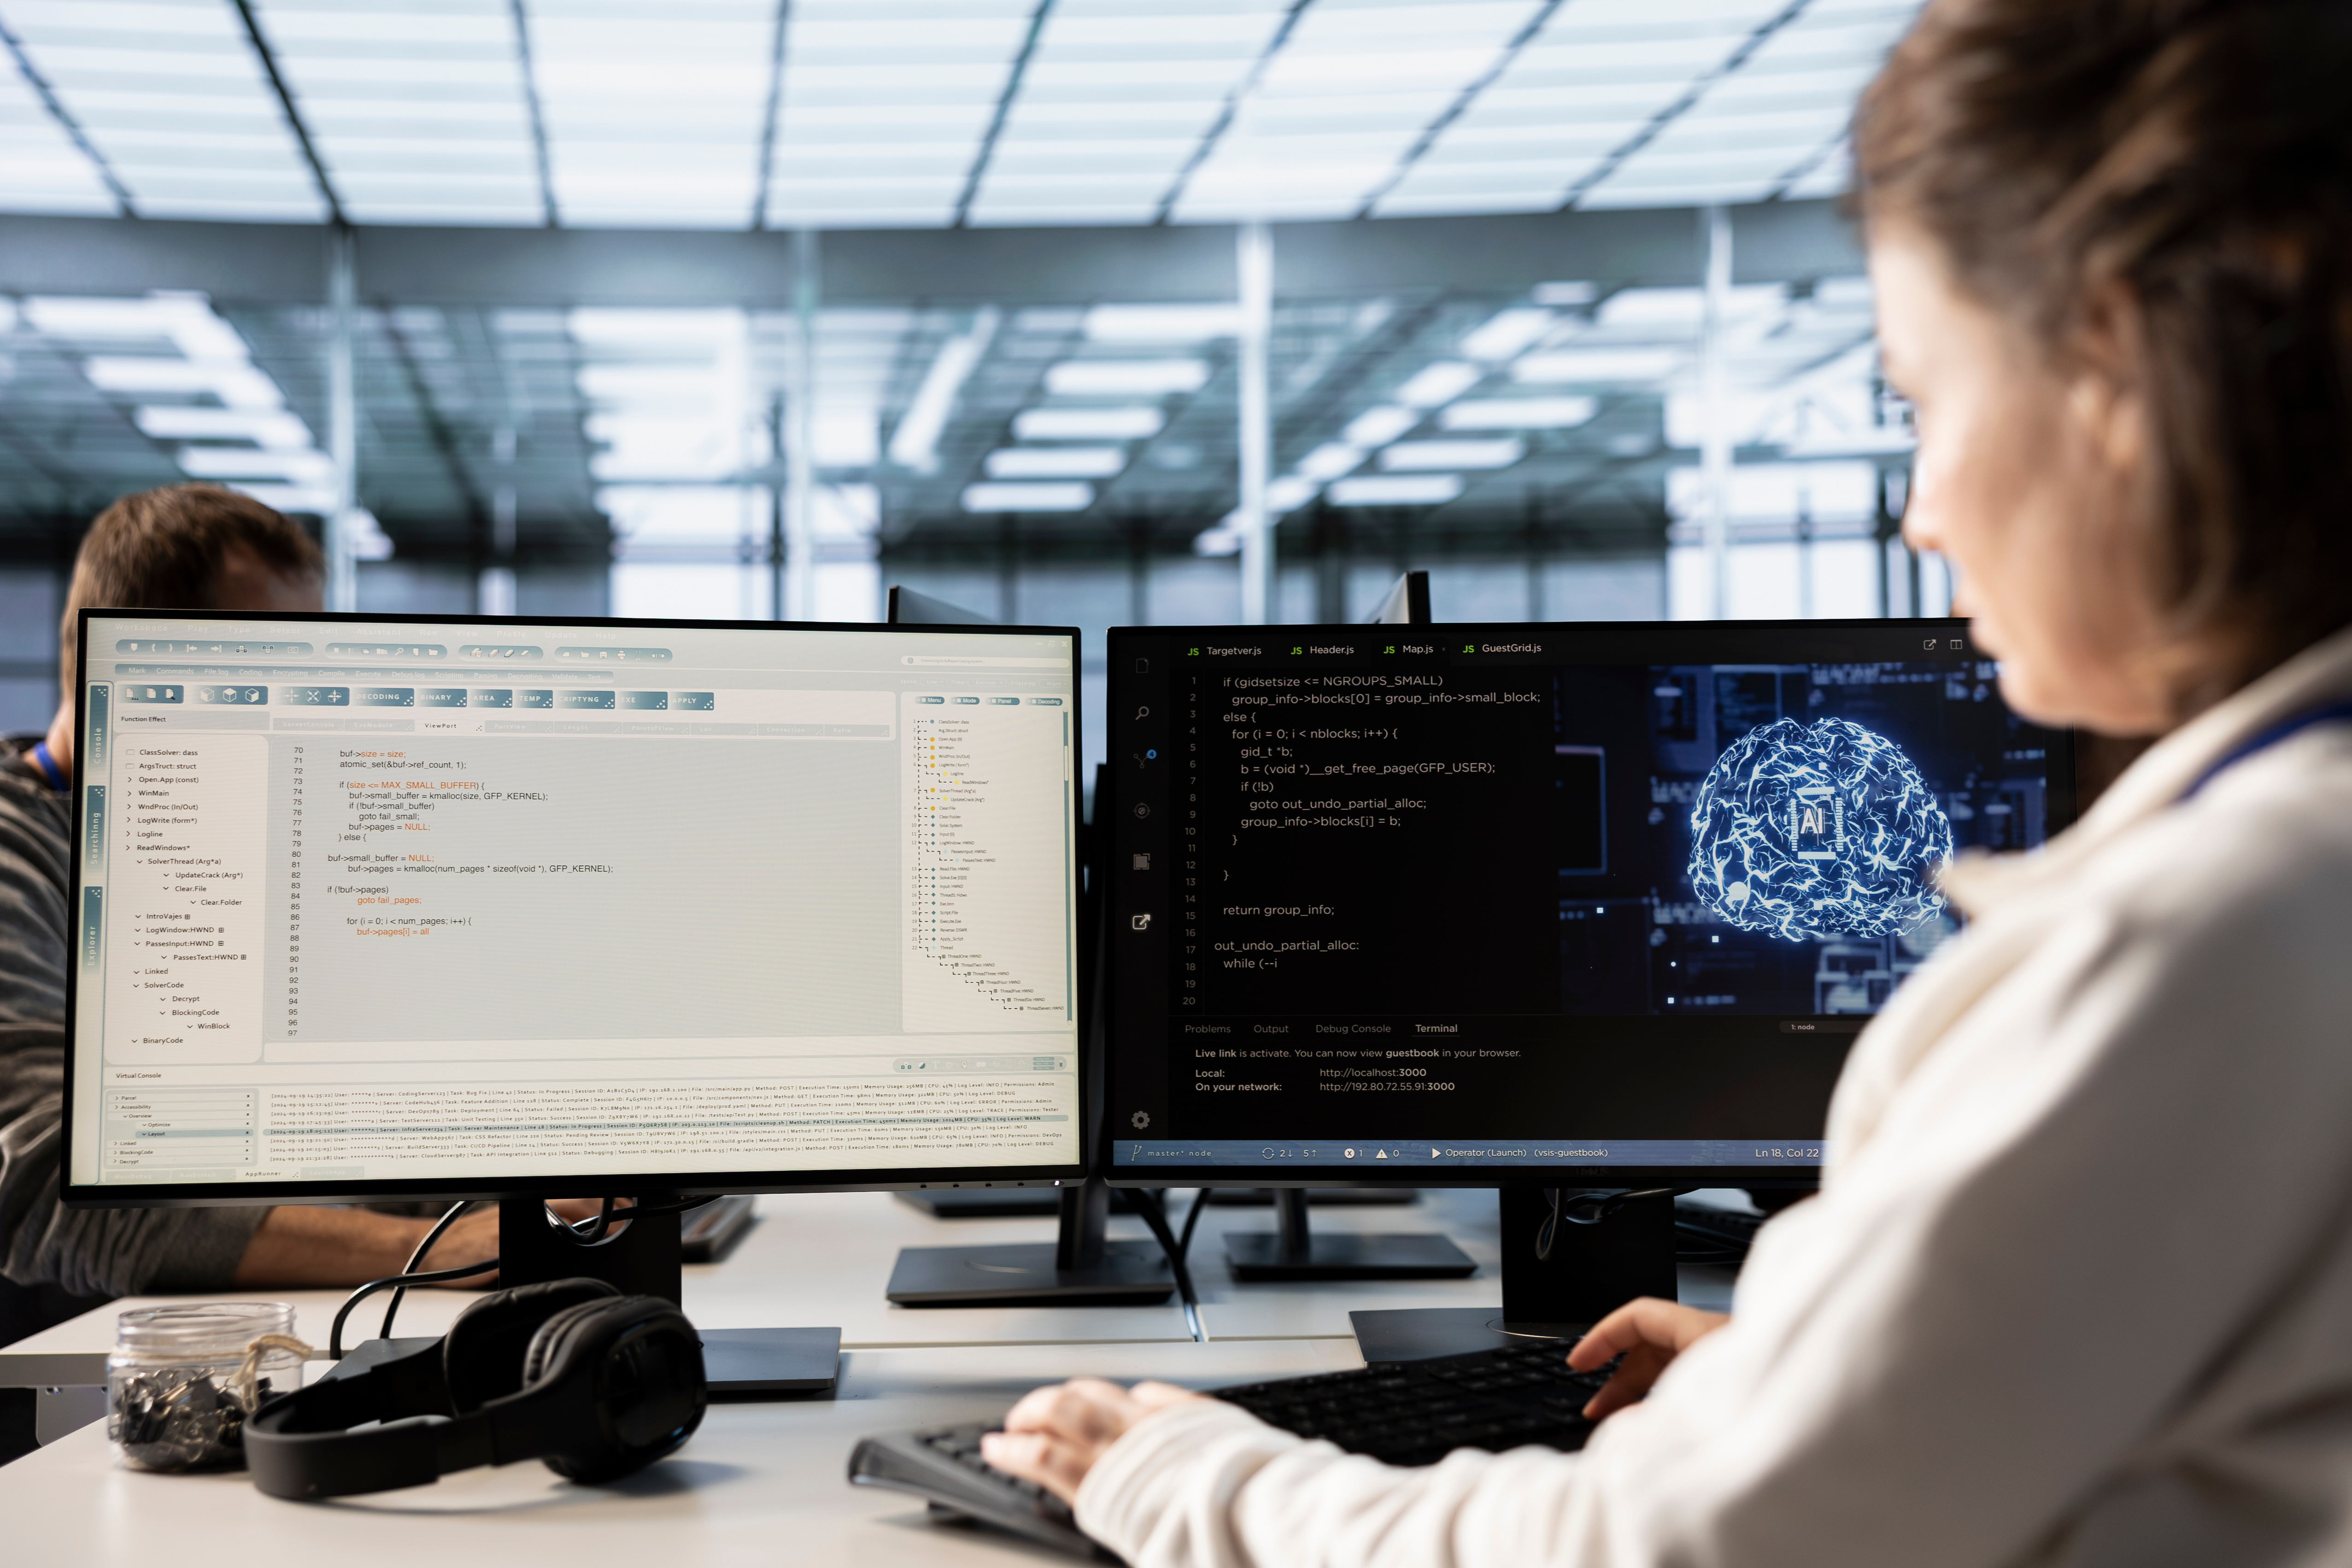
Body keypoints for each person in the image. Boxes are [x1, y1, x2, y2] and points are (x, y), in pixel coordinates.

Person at [981, 2, 2352, 1563]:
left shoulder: (2195, 945)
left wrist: (1177, 1471)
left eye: (1922, 398)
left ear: (2111, 378)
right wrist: (1824, 1386)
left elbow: (1666, 1553)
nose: (1918, 512)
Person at [0, 484, 506, 1336]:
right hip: (100, 1380)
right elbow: (41, 1190)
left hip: (295, 1334)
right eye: (264, 673)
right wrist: (433, 1249)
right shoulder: (24, 855)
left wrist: (521, 1194)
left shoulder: (232, 840)